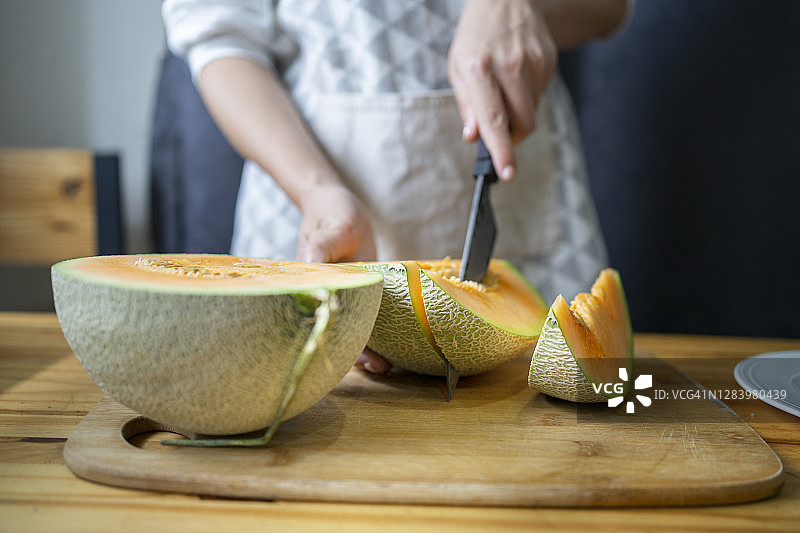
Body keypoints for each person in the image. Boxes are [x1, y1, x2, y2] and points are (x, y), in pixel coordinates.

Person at [162, 0, 632, 373]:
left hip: (523, 197)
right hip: (308, 192)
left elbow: (611, 8)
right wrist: (317, 193)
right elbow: (218, 35)